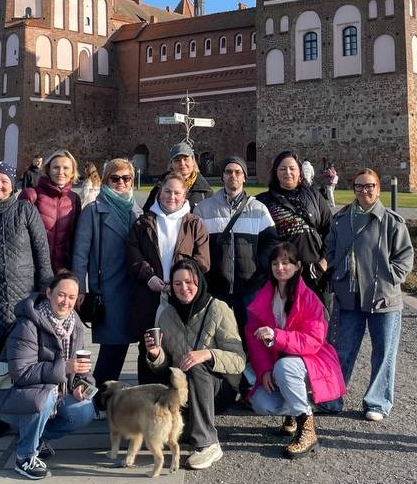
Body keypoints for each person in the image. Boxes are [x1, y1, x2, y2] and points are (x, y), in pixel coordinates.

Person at [0, 159, 53, 437]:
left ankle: (27, 410)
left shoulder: (26, 211)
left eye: (4, 180)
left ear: (13, 184)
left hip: (24, 300)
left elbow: (42, 253)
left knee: (25, 359)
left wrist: (46, 292)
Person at [320, 169, 413, 421]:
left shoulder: (392, 221)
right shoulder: (341, 219)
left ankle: (377, 403)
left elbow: (405, 258)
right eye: (359, 186)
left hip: (383, 298)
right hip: (348, 295)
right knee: (342, 349)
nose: (364, 191)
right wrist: (336, 272)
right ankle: (332, 398)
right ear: (354, 189)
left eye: (370, 186)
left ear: (378, 189)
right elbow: (330, 250)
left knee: (384, 352)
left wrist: (388, 278)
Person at [0, 272, 97, 480]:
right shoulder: (28, 324)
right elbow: (21, 372)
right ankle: (25, 456)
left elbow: (80, 367)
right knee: (44, 397)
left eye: (71, 297)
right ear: (49, 293)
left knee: (84, 410)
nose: (65, 302)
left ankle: (35, 438)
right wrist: (64, 368)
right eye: (61, 295)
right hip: (14, 396)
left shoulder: (74, 323)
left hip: (53, 392)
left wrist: (81, 384)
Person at [141, 259, 245, 469]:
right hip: (183, 391)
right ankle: (186, 427)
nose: (184, 288)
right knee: (147, 362)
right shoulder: (166, 315)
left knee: (195, 365)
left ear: (199, 281)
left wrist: (207, 354)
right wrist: (155, 355)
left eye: (189, 282)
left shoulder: (218, 309)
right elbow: (164, 366)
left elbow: (239, 361)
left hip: (218, 389)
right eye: (177, 283)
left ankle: (208, 443)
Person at [244, 243, 345, 458]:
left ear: (298, 266)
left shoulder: (309, 299)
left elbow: (314, 341)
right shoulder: (265, 296)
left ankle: (307, 428)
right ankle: (291, 412)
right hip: (278, 364)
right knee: (261, 403)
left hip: (311, 361)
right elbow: (253, 338)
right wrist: (264, 370)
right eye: (275, 263)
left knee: (285, 367)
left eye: (286, 263)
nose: (280, 268)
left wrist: (277, 336)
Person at [71, 157, 142, 384]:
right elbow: (80, 254)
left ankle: (101, 391)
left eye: (126, 178)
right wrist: (80, 288)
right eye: (115, 178)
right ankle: (96, 392)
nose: (121, 183)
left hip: (133, 288)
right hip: (107, 288)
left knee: (122, 344)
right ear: (105, 180)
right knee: (112, 346)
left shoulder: (136, 211)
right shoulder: (93, 211)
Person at [126, 173, 211, 351]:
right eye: (167, 191)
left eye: (177, 193)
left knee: (180, 348)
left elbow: (202, 261)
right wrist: (148, 277)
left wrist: (179, 282)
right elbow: (133, 255)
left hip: (182, 296)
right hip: (150, 296)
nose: (171, 197)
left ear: (184, 195)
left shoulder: (194, 224)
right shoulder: (144, 222)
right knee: (150, 349)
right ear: (160, 192)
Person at [194, 155, 275, 331]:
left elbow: (271, 243)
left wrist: (259, 267)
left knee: (250, 335)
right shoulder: (203, 209)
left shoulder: (259, 210)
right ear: (222, 176)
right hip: (216, 287)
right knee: (217, 334)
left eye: (238, 172)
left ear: (244, 177)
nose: (233, 176)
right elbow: (196, 246)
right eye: (228, 172)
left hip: (249, 287)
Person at [256, 151, 332, 302]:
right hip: (282, 275)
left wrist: (323, 263)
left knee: (317, 315)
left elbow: (330, 229)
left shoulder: (314, 196)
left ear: (300, 172)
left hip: (315, 273)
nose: (288, 172)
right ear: (275, 172)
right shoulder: (264, 201)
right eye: (282, 169)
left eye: (292, 168)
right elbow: (260, 243)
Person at [22, 150, 82, 274]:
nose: (60, 172)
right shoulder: (31, 195)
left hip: (62, 271)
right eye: (56, 167)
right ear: (48, 170)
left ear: (72, 172)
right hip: (33, 270)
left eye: (66, 168)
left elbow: (75, 238)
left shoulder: (74, 199)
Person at [142, 140, 215, 211]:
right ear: (172, 164)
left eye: (186, 159)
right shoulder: (160, 186)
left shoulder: (205, 191)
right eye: (177, 160)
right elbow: (148, 211)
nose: (182, 163)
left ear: (193, 161)